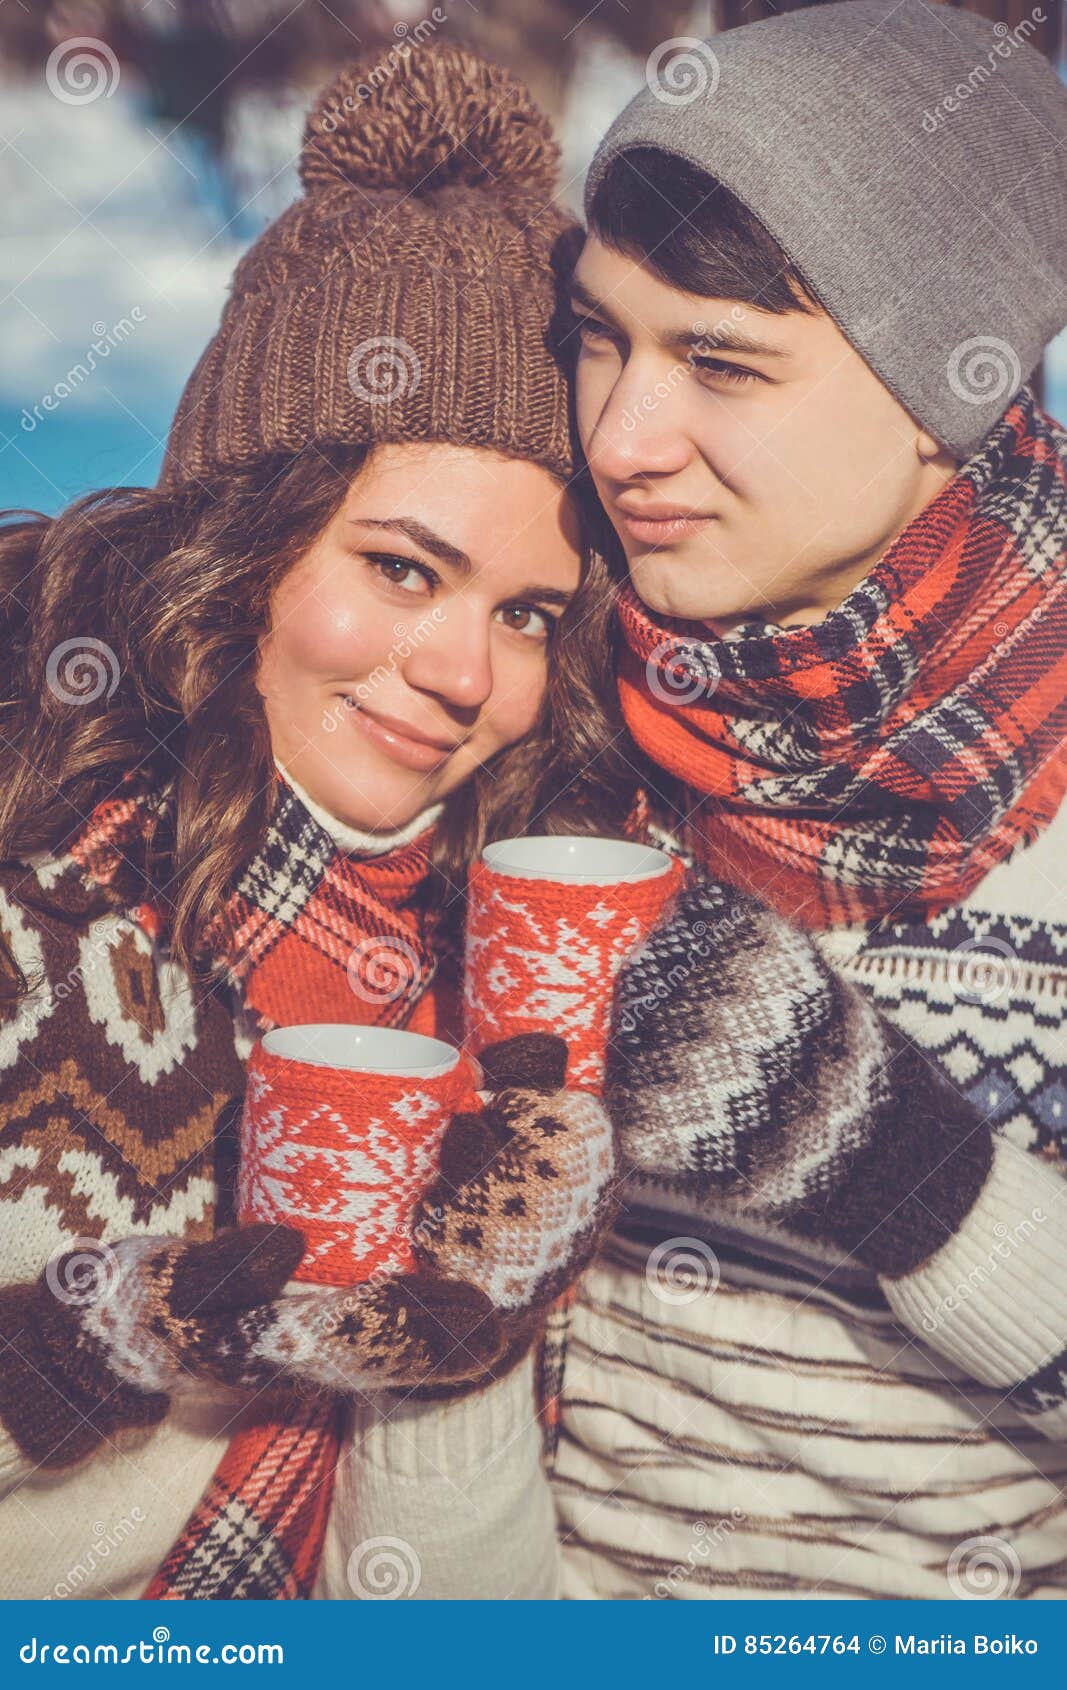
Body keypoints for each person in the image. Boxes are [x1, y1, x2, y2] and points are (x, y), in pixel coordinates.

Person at [0, 44, 631, 1602]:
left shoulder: (515, 980)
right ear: (245, 543)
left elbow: (462, 1632)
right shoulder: (37, 880)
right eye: (403, 568)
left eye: (529, 612)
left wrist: (461, 1339)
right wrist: (70, 1351)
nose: (468, 676)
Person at [548, 0, 1067, 1599]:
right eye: (598, 336)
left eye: (721, 362)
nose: (623, 438)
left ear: (942, 396)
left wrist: (902, 1172)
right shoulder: (557, 721)